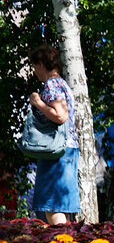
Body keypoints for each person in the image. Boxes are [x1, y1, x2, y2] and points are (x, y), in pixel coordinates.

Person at [27, 46, 79, 225]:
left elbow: (60, 116)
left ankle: (61, 241)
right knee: (60, 206)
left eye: (35, 66)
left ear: (41, 64)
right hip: (67, 149)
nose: (35, 71)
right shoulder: (63, 84)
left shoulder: (52, 85)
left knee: (52, 207)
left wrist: (38, 103)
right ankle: (68, 240)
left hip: (56, 151)